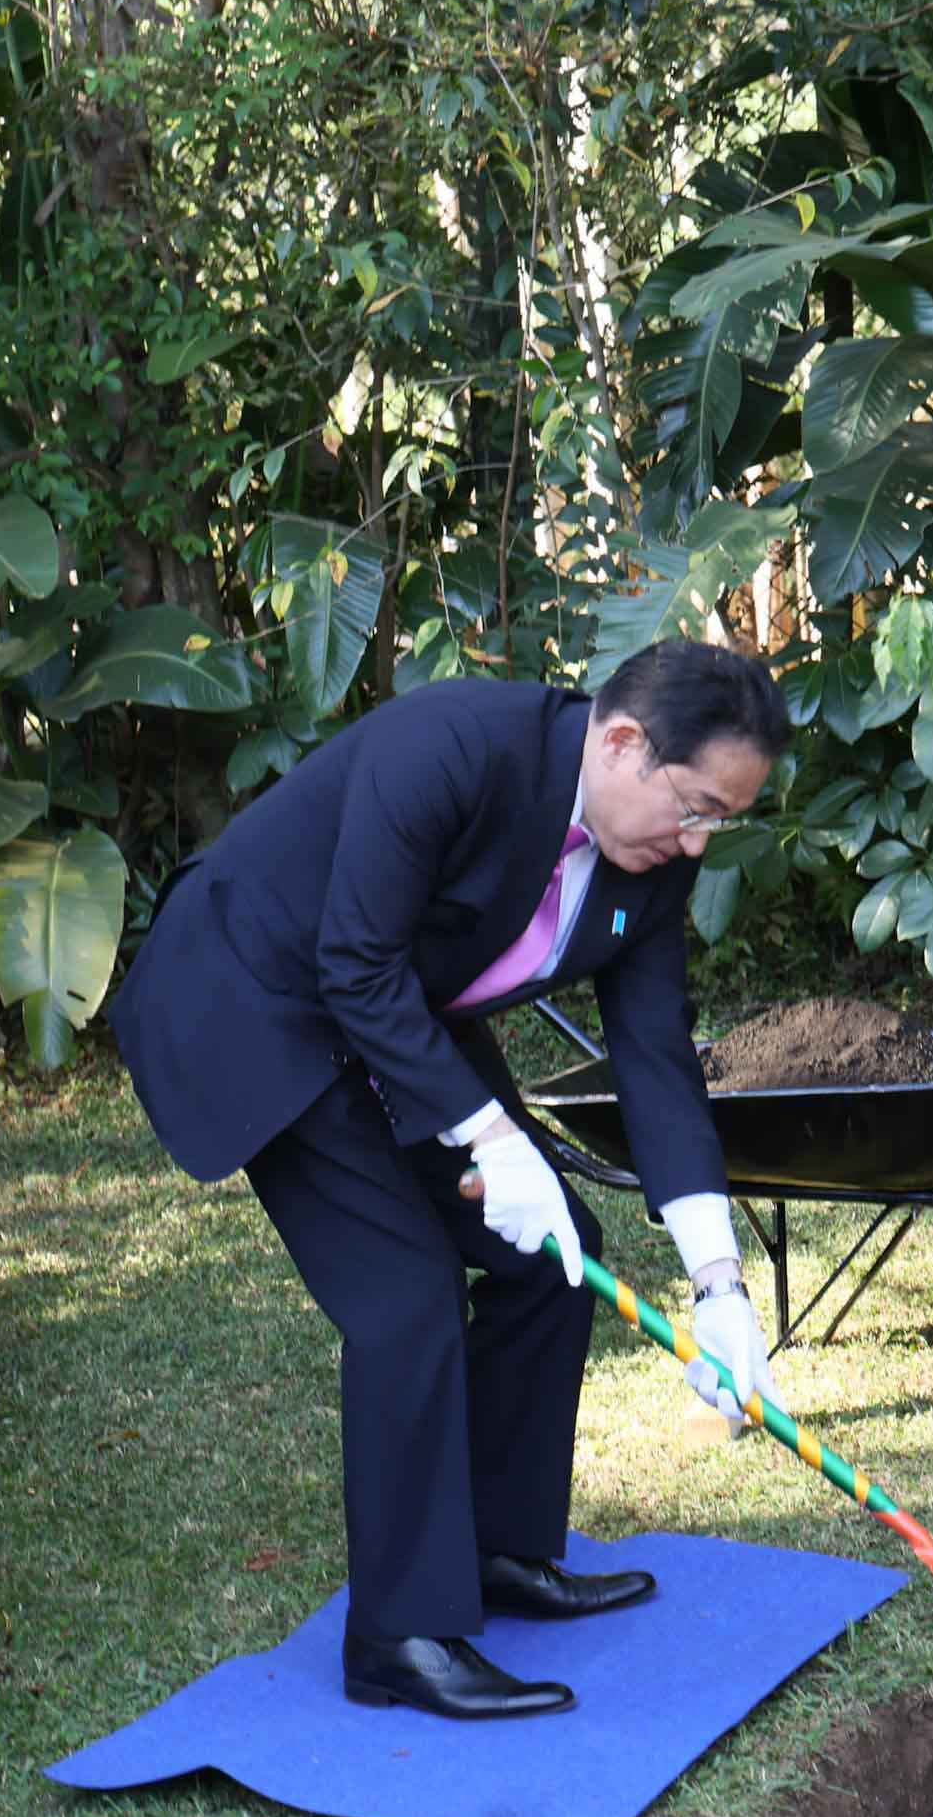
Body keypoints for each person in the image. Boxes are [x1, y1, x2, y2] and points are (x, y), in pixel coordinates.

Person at [108, 640, 790, 1721]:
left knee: (555, 1257)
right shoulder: (455, 744)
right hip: (257, 994)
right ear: (620, 741)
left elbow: (653, 1046)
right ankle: (399, 1633)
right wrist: (483, 1132)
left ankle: (497, 1551)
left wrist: (719, 1283)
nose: (700, 838)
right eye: (695, 805)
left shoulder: (651, 851)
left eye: (723, 818)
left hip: (390, 1013)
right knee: (405, 1294)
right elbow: (352, 959)